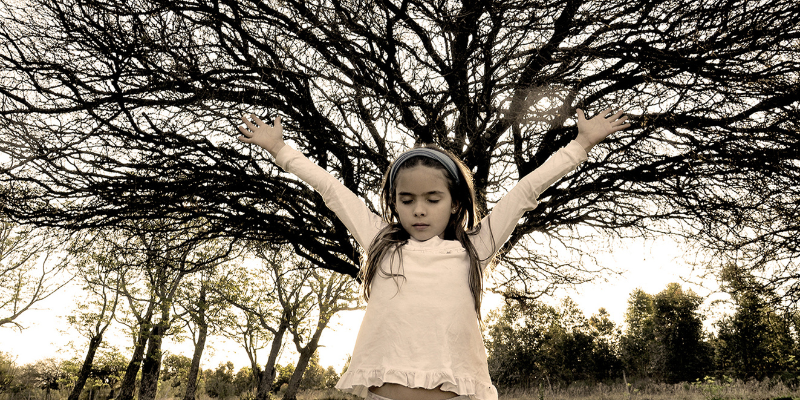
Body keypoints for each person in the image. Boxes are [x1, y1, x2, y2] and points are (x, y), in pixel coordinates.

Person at [237, 109, 630, 400]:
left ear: (456, 203)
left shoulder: (473, 248)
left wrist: (580, 145)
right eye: (406, 200)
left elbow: (526, 191)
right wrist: (279, 149)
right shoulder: (379, 241)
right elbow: (331, 189)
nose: (419, 210)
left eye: (432, 198)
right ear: (394, 201)